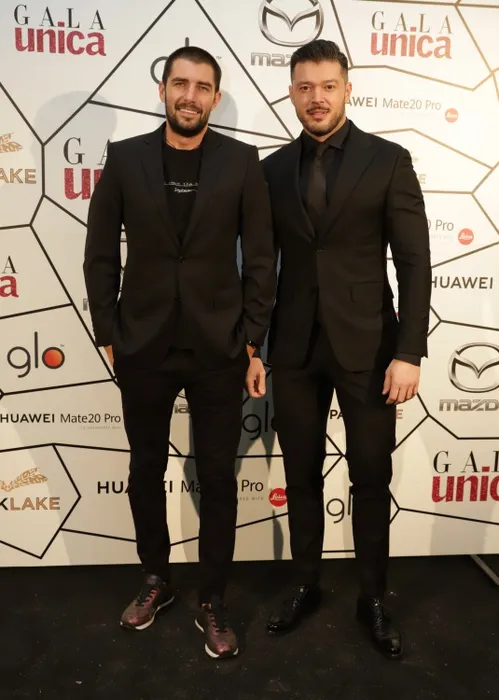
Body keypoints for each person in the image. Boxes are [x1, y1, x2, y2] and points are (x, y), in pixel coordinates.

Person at [83, 45, 276, 660]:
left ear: (215, 97)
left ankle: (212, 598)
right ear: (163, 89)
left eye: (202, 86)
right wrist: (108, 331)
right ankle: (155, 578)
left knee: (217, 476)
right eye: (180, 83)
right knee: (145, 468)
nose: (190, 96)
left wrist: (251, 339)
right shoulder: (125, 158)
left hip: (219, 347)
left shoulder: (242, 162)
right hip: (142, 344)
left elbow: (262, 258)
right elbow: (99, 251)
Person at [262, 39, 431, 659]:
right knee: (300, 473)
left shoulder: (388, 160)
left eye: (327, 86)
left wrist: (410, 351)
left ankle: (373, 598)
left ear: (347, 90)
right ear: (291, 92)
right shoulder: (272, 169)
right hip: (294, 347)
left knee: (371, 474)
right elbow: (260, 265)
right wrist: (253, 345)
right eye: (305, 87)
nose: (317, 98)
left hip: (371, 347)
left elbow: (414, 261)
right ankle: (305, 584)